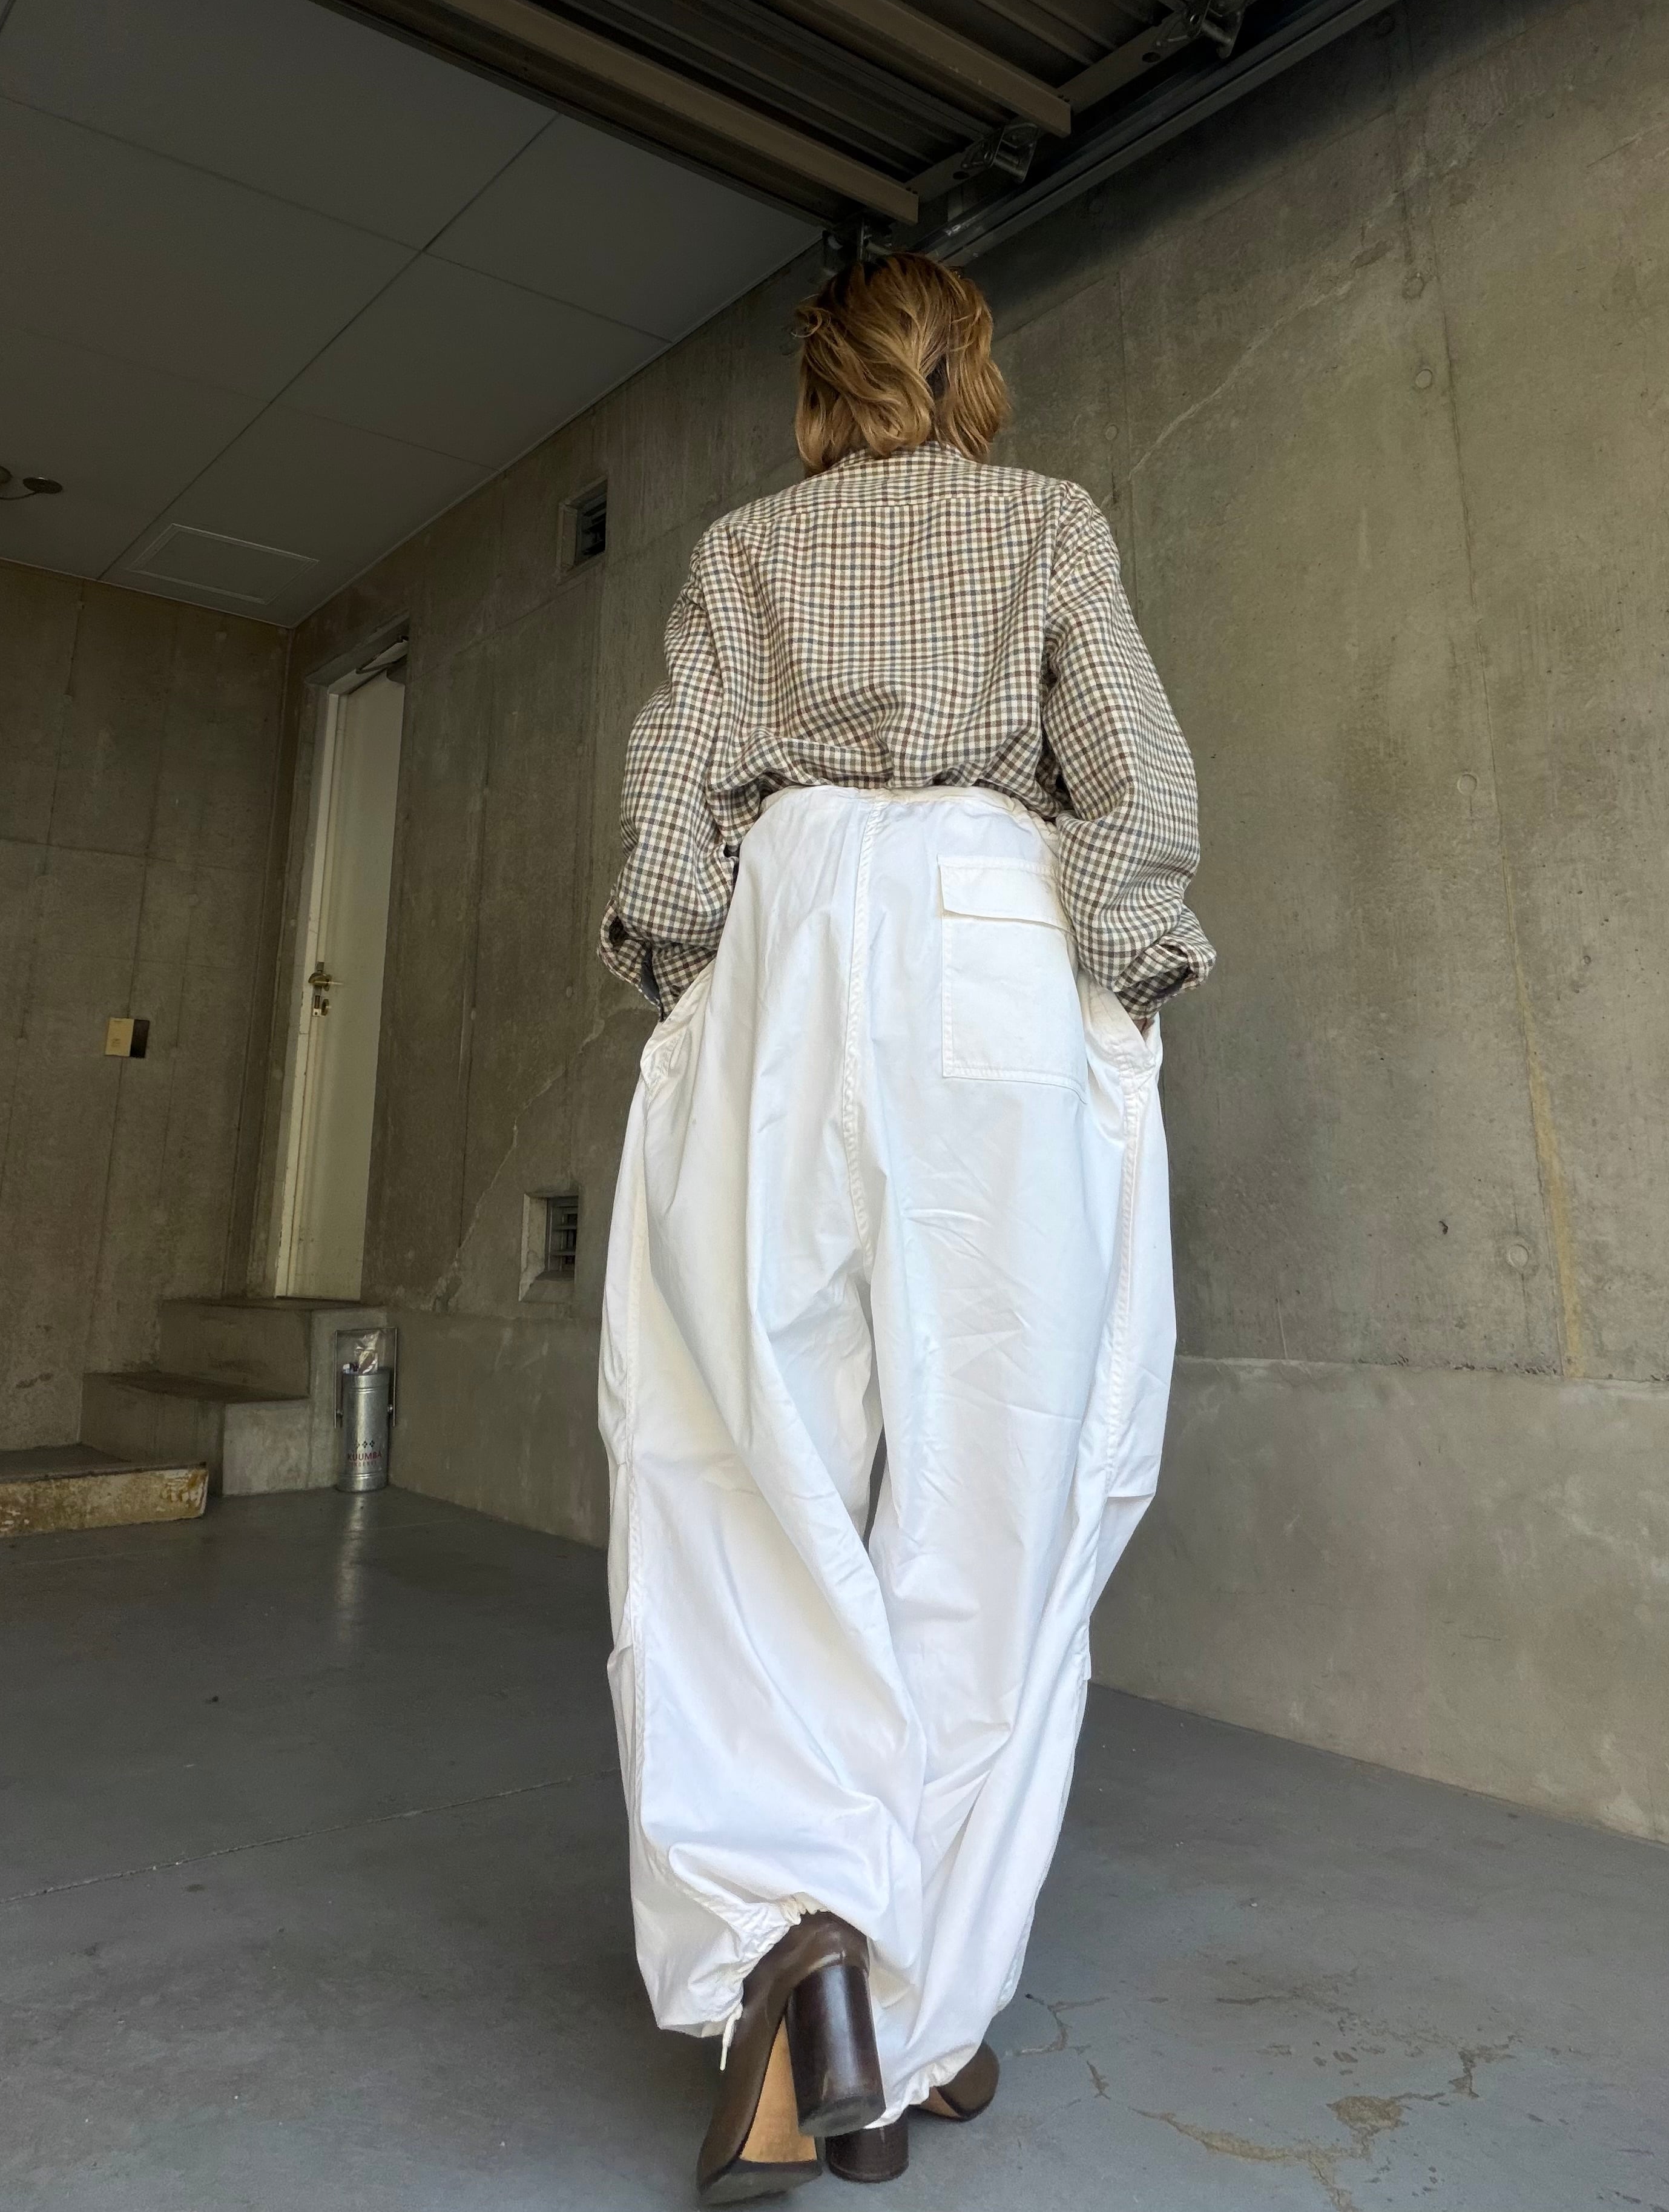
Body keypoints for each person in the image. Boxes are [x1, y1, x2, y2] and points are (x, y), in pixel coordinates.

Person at [596, 250, 1212, 2201]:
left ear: (818, 386)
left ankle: (795, 1952)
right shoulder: (1050, 523)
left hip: (784, 928)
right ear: (973, 368)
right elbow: (1131, 776)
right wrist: (1125, 967)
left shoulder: (740, 549)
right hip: (988, 924)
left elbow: (673, 804)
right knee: (1000, 1482)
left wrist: (687, 972)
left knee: (734, 1457)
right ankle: (917, 2010)